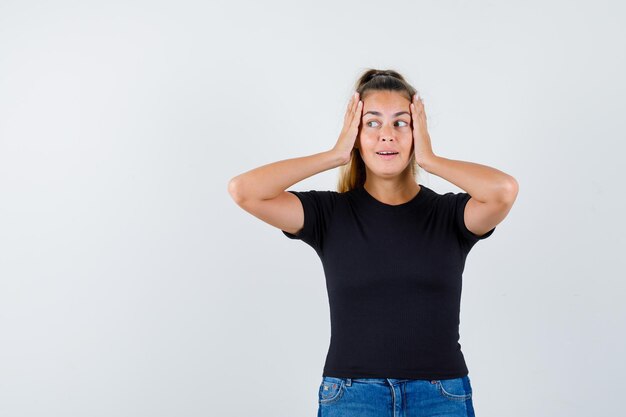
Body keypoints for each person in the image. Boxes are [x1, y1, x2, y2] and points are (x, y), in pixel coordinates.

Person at [228, 68, 518, 417]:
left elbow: (503, 191)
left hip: (440, 395)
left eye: (400, 123)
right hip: (352, 397)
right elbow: (244, 191)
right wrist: (335, 154)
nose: (387, 136)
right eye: (372, 123)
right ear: (355, 133)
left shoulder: (449, 216)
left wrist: (431, 160)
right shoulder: (328, 214)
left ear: (417, 132)